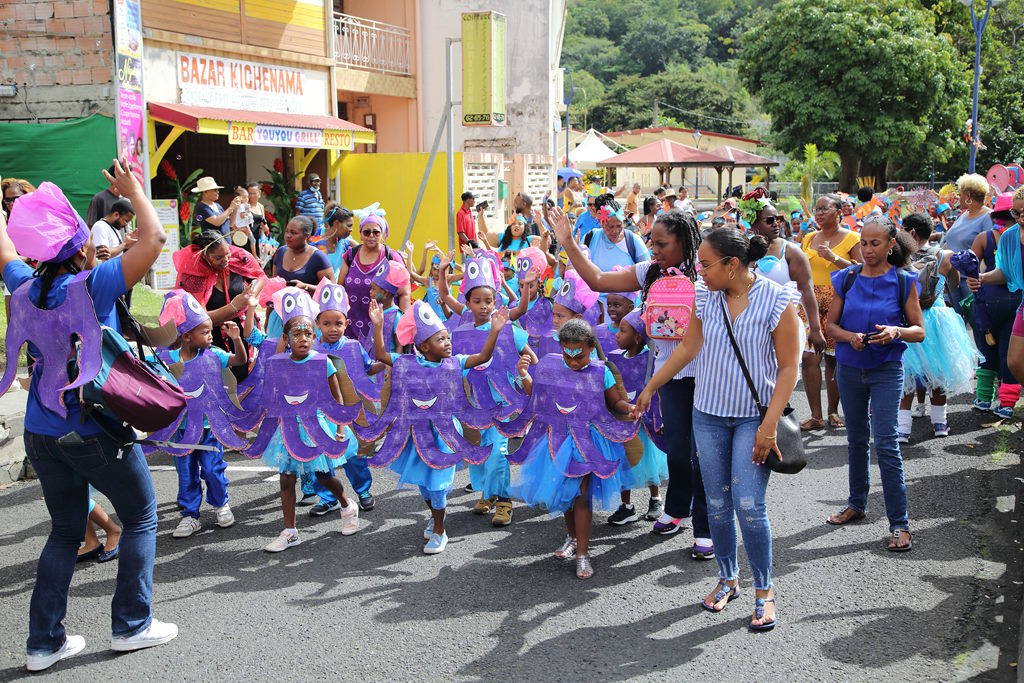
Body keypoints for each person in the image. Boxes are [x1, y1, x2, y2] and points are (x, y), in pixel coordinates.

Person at [0, 162, 176, 672]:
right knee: (141, 514)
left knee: (63, 530)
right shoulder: (92, 285)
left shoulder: (22, 286)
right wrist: (135, 192)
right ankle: (131, 626)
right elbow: (155, 238)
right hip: (92, 429)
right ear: (79, 248)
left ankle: (43, 643)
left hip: (40, 432)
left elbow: (6, 251)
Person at [634, 227, 801, 631]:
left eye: (707, 265)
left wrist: (768, 427)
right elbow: (689, 348)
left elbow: (788, 369)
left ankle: (765, 590)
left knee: (748, 503)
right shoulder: (705, 297)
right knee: (718, 504)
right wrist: (651, 387)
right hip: (707, 415)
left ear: (732, 264)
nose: (700, 271)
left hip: (753, 420)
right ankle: (728, 579)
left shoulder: (778, 300)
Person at [549, 207, 714, 558]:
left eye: (662, 244)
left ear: (684, 242)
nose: (653, 250)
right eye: (651, 242)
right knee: (678, 449)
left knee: (703, 453)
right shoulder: (649, 272)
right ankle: (676, 508)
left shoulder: (707, 274)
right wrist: (566, 242)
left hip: (709, 376)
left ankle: (705, 527)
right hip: (667, 376)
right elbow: (597, 280)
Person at [368, 299, 508, 554]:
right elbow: (380, 355)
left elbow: (483, 357)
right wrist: (378, 326)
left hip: (443, 435)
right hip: (416, 432)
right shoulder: (407, 362)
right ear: (423, 346)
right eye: (440, 339)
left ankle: (440, 531)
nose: (448, 343)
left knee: (438, 484)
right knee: (424, 483)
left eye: (447, 338)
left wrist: (495, 330)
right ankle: (434, 516)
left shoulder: (455, 363)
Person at [824, 216, 924, 553]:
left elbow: (919, 330)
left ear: (891, 244)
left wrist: (896, 331)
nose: (867, 249)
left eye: (875, 243)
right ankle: (856, 503)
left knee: (886, 443)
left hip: (886, 369)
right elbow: (830, 328)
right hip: (850, 370)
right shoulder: (845, 278)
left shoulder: (904, 280)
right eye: (864, 243)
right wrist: (849, 336)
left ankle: (900, 523)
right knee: (855, 441)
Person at [514, 318, 635, 579]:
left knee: (581, 496)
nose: (573, 362)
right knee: (565, 496)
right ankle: (572, 537)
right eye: (568, 356)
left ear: (591, 347)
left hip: (588, 443)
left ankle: (582, 553)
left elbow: (615, 402)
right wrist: (524, 374)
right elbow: (538, 398)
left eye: (579, 356)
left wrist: (630, 408)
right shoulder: (551, 368)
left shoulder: (601, 372)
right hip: (557, 440)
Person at [259, 288, 360, 552]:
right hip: (289, 428)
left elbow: (337, 400)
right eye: (297, 334)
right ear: (286, 338)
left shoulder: (324, 363)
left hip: (317, 429)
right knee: (286, 479)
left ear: (314, 337)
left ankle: (347, 505)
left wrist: (340, 428)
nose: (303, 339)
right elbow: (273, 398)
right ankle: (290, 531)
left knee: (324, 477)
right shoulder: (278, 364)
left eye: (308, 334)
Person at [158, 291, 247, 538]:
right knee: (185, 472)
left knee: (212, 469)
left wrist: (236, 339)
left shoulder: (214, 355)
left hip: (210, 428)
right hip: (181, 430)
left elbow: (239, 360)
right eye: (205, 332)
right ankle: (189, 515)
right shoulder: (167, 359)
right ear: (186, 336)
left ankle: (221, 504)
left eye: (210, 332)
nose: (210, 336)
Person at [898, 214, 979, 441]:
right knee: (939, 373)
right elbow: (952, 284)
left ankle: (903, 429)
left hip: (909, 318)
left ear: (912, 233)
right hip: (939, 319)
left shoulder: (899, 256)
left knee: (908, 375)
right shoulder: (945, 255)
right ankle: (940, 423)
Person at [800, 194, 862, 430]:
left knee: (834, 359)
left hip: (839, 301)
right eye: (817, 209)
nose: (819, 213)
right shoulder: (808, 238)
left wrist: (834, 258)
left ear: (839, 211)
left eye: (825, 208)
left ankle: (833, 412)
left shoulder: (853, 238)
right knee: (809, 358)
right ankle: (815, 415)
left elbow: (860, 270)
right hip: (810, 302)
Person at [173, 230, 266, 381]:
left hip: (241, 330)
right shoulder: (192, 275)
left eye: (227, 254)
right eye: (218, 258)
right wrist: (234, 307)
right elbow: (197, 319)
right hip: (210, 335)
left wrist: (250, 295)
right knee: (219, 379)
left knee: (244, 375)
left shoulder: (239, 257)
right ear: (204, 255)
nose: (226, 260)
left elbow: (260, 276)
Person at [966, 190, 1023, 417]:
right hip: (1018, 304)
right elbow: (1005, 273)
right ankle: (1004, 401)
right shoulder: (1009, 237)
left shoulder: (987, 237)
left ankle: (1000, 400)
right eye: (1015, 212)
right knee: (1014, 361)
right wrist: (981, 278)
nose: (1019, 217)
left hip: (1006, 302)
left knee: (992, 352)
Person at [749, 197, 826, 354]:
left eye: (778, 219)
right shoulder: (743, 249)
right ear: (754, 224)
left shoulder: (792, 251)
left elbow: (806, 290)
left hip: (785, 325)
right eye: (769, 220)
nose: (776, 224)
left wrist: (815, 328)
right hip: (751, 327)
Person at [338, 212, 409, 342]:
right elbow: (340, 289)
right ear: (360, 234)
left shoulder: (391, 257)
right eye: (366, 232)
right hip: (351, 327)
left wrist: (402, 326)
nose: (371, 236)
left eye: (376, 232)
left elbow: (404, 293)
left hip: (383, 328)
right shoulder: (350, 255)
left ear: (382, 234)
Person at [945, 173, 994, 318]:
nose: (957, 199)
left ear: (968, 196)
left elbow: (990, 249)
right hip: (953, 278)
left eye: (959, 195)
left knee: (977, 323)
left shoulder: (988, 217)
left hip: (971, 281)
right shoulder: (964, 215)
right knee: (955, 323)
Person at [314, 202, 356, 276]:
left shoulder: (347, 243)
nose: (351, 229)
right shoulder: (315, 238)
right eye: (349, 225)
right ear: (336, 223)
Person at [90, 197, 135, 262]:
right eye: (126, 221)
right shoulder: (100, 226)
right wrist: (124, 244)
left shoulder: (114, 228)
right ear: (116, 214)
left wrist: (129, 245)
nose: (126, 224)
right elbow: (102, 256)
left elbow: (117, 252)